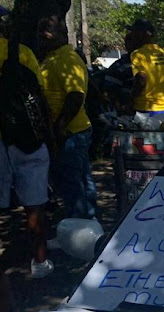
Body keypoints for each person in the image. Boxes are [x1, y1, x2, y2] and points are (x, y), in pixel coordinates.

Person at [0, 8, 53, 278]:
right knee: (35, 207)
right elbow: (39, 99)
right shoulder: (22, 53)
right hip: (26, 140)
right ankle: (40, 263)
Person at [37, 14, 97, 221]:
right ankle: (87, 225)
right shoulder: (52, 57)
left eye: (47, 28)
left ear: (62, 33)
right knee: (80, 182)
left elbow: (76, 95)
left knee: (72, 185)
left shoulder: (67, 58)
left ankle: (79, 231)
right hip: (68, 131)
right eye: (40, 29)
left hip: (71, 132)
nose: (42, 34)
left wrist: (59, 127)